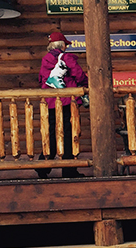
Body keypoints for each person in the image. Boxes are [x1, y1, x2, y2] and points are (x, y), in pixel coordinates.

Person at [37, 31, 88, 178]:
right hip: (67, 102)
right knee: (70, 133)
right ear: (62, 45)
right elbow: (79, 74)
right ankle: (69, 170)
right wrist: (84, 86)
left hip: (50, 103)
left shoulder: (45, 60)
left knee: (52, 133)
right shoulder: (65, 57)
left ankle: (42, 166)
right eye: (65, 44)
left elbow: (41, 80)